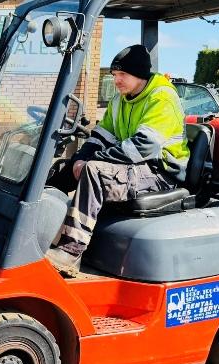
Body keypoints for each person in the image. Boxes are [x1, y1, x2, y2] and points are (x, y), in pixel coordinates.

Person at [46, 44, 190, 270]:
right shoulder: (120, 100)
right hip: (135, 168)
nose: (116, 80)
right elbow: (100, 137)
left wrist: (92, 162)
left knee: (94, 171)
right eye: (114, 74)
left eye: (122, 74)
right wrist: (77, 160)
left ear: (140, 74)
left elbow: (142, 147)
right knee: (63, 167)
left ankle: (71, 251)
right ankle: (39, 227)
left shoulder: (161, 98)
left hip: (160, 173)